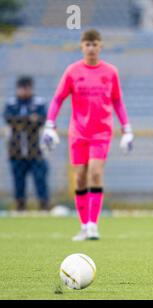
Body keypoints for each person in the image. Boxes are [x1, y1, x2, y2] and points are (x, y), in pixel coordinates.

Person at [42, 29, 134, 241]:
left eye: (95, 44)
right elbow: (58, 99)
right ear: (82, 47)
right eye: (87, 44)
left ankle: (93, 225)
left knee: (95, 173)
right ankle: (84, 225)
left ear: (101, 46)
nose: (91, 48)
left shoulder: (110, 72)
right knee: (80, 177)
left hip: (101, 132)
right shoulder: (73, 71)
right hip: (78, 133)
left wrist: (127, 129)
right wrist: (49, 125)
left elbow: (117, 101)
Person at [3, 76, 49, 211]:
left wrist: (22, 121)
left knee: (40, 179)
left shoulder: (38, 103)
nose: (24, 91)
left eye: (27, 88)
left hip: (36, 150)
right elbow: (9, 119)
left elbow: (41, 119)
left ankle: (44, 205)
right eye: (22, 88)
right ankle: (20, 206)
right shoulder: (11, 103)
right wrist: (29, 119)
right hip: (16, 149)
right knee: (18, 180)